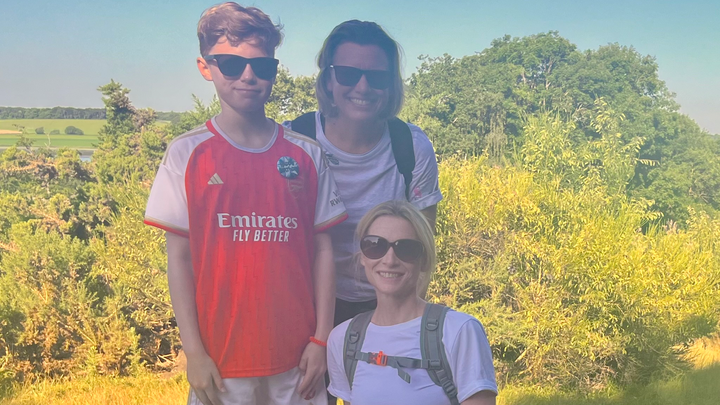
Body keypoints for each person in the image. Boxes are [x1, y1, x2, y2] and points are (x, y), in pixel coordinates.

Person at [144, 3, 347, 404]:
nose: (249, 76)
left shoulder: (306, 154)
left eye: (262, 66)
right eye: (232, 65)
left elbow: (325, 251)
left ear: (274, 69)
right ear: (206, 67)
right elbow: (179, 259)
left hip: (298, 363)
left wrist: (322, 340)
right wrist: (193, 353)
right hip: (221, 365)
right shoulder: (185, 154)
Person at [285, 19, 442, 334]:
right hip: (305, 303)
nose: (362, 87)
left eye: (377, 77)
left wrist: (403, 326)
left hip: (387, 302)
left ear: (391, 84)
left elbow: (421, 250)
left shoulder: (411, 148)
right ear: (328, 79)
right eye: (348, 74)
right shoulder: (294, 143)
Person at [326, 200, 497, 405]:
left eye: (405, 248)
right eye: (375, 246)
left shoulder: (459, 331)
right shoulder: (343, 340)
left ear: (423, 259)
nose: (389, 260)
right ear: (363, 256)